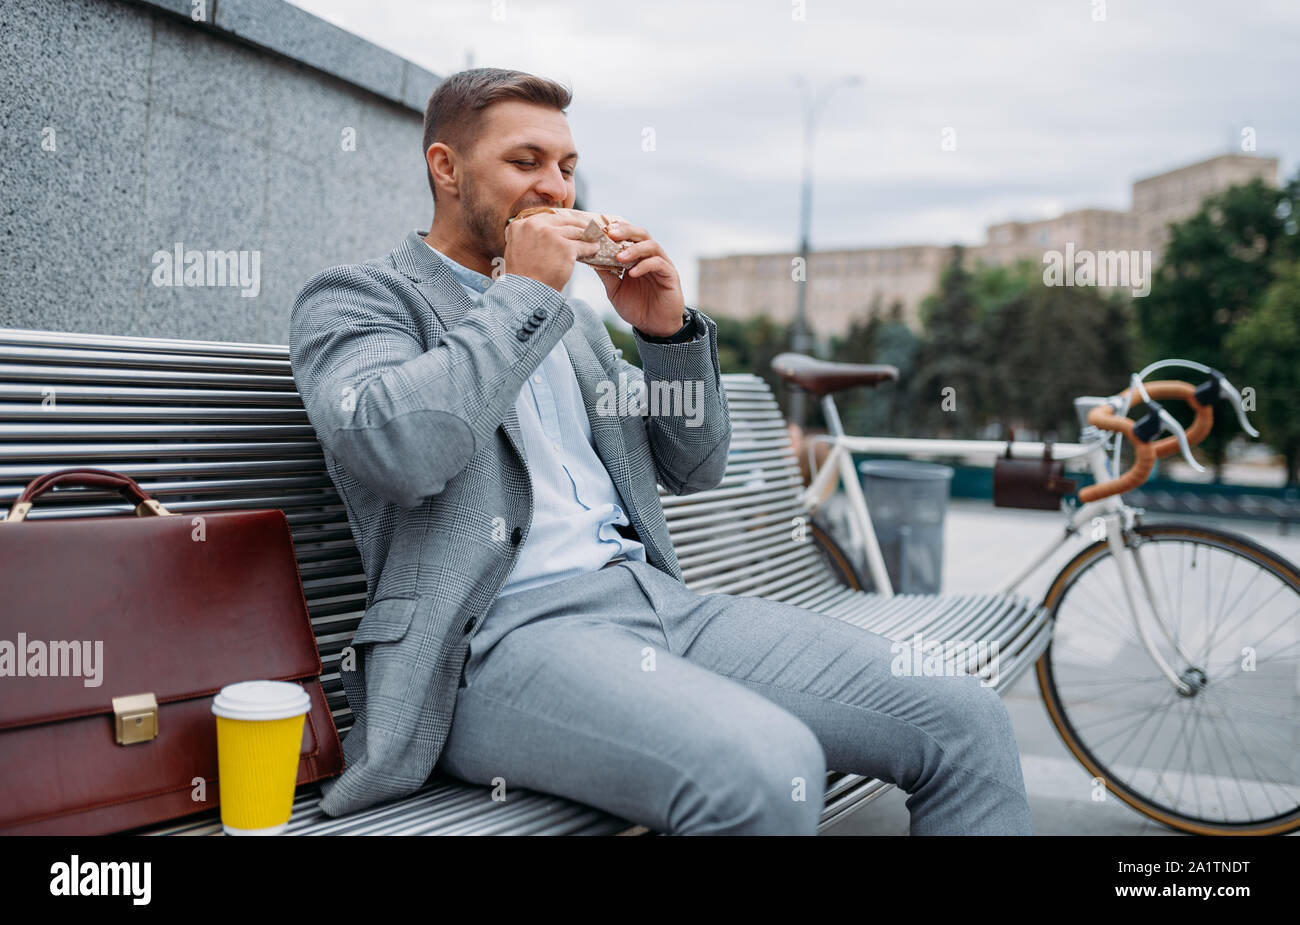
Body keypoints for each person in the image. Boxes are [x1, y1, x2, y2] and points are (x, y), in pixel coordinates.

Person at [288, 67, 1033, 835]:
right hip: (493, 644)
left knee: (963, 717)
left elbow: (693, 464)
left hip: (658, 606)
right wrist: (525, 297)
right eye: (526, 162)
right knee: (770, 769)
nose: (556, 189)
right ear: (446, 168)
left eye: (567, 168)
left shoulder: (576, 329)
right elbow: (395, 449)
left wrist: (665, 335)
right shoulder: (360, 297)